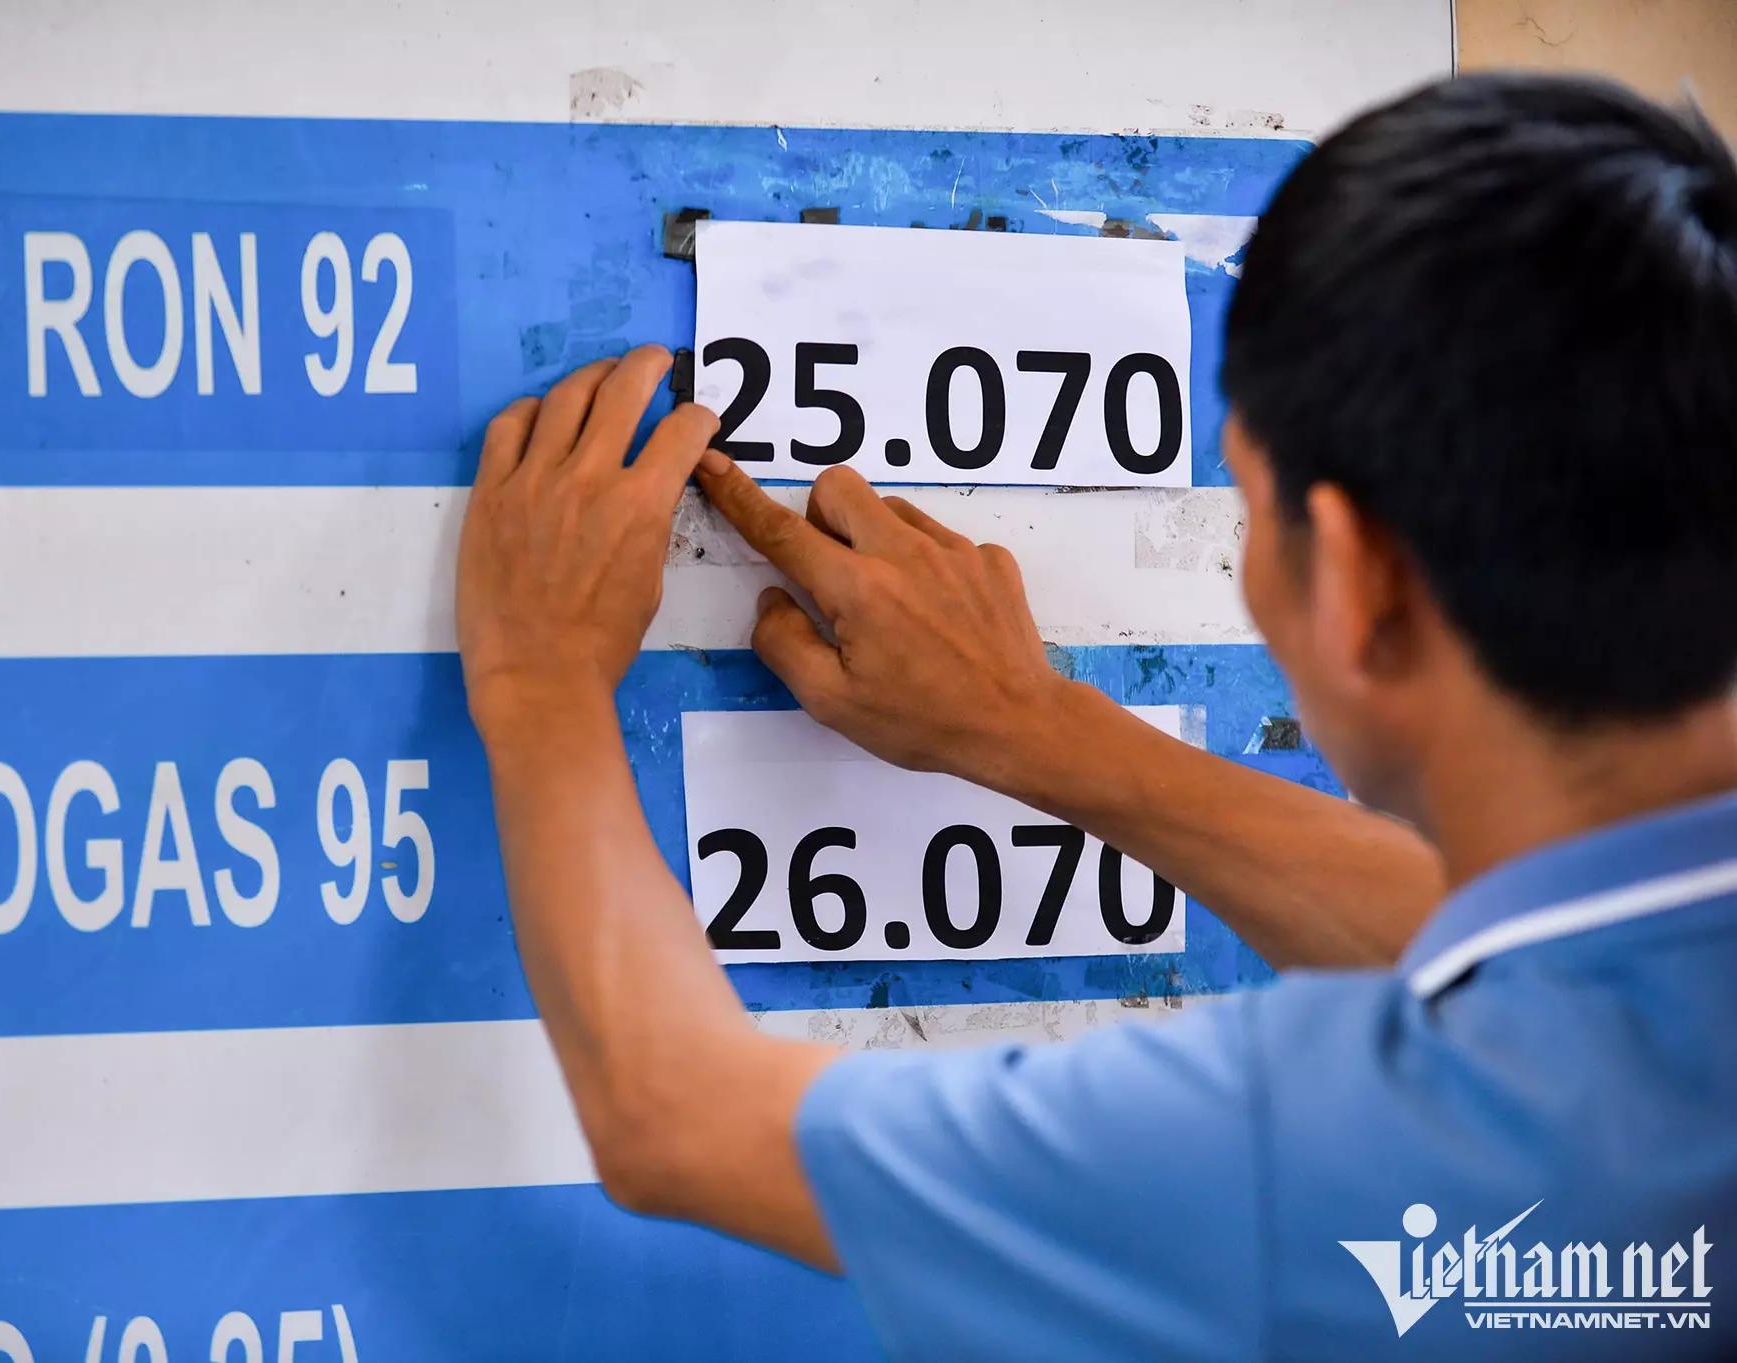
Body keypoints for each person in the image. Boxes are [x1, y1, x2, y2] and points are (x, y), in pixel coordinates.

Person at [452, 73, 1737, 1360]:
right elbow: (1473, 946)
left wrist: (540, 678)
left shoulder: (1312, 1145)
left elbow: (676, 1116)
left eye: (1247, 507)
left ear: (1357, 583)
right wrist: (1031, 726)